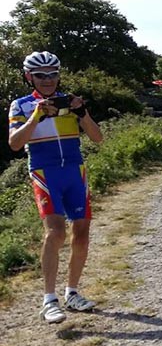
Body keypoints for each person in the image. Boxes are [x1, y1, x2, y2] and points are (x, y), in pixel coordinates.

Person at [8, 51, 103, 324]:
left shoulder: (69, 102)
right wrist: (36, 117)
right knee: (56, 232)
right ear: (29, 77)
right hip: (45, 172)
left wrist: (82, 113)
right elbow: (15, 143)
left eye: (53, 74)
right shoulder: (21, 105)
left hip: (75, 170)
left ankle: (72, 293)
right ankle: (49, 300)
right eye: (41, 75)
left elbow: (97, 138)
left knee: (82, 233)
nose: (48, 80)